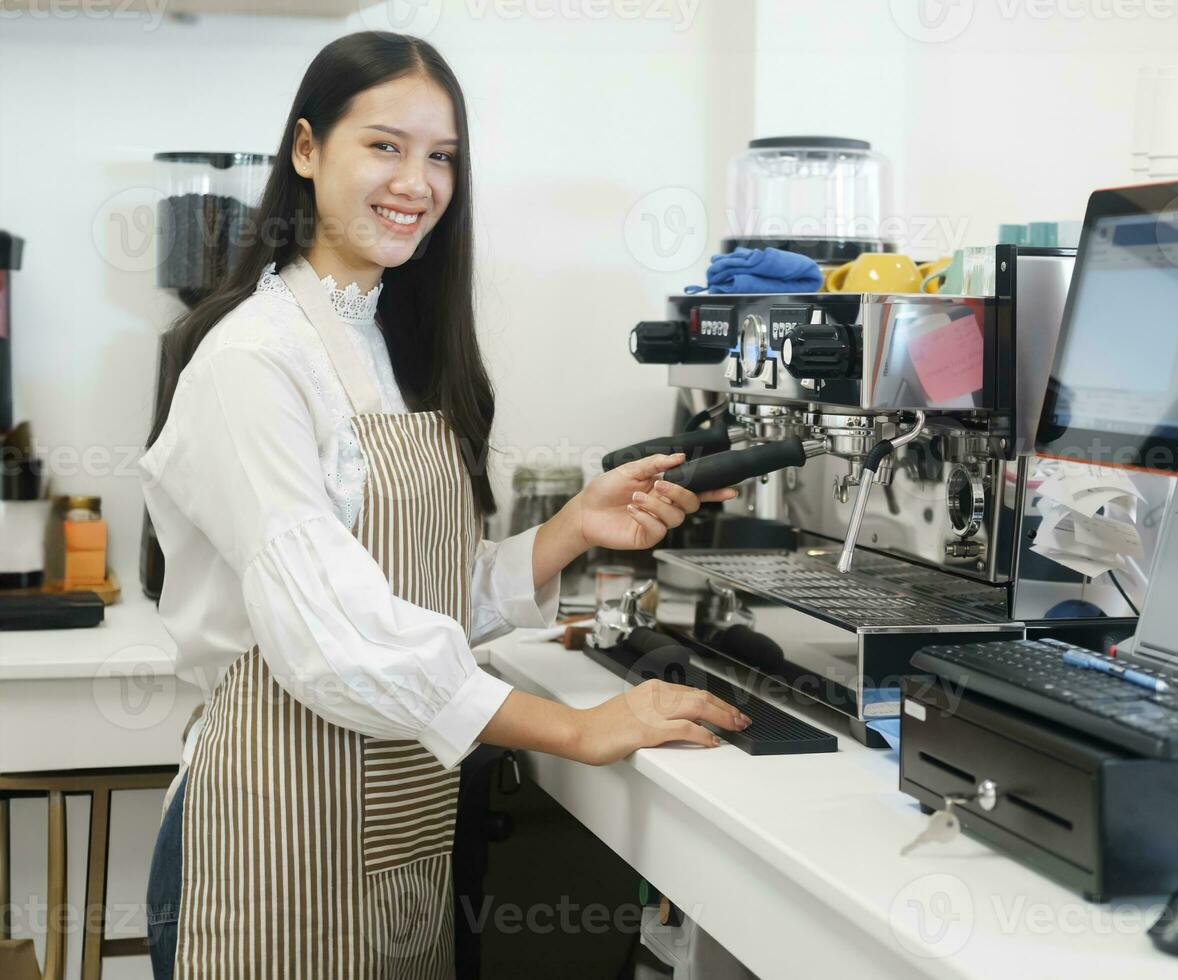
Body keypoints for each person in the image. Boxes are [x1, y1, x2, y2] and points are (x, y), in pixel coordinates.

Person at [137, 31, 748, 980]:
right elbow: (338, 641)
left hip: (392, 837)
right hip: (270, 842)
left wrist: (572, 529)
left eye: (441, 157)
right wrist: (582, 730)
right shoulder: (253, 362)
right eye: (384, 145)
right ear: (306, 150)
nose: (416, 182)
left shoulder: (389, 348)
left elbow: (414, 601)